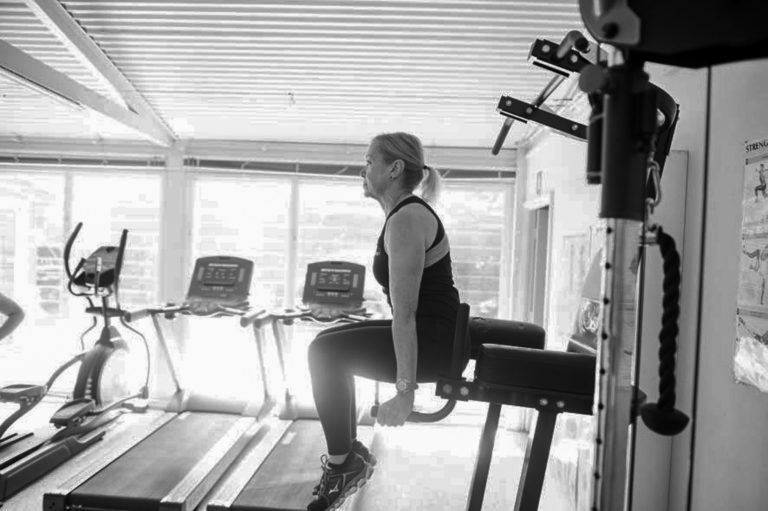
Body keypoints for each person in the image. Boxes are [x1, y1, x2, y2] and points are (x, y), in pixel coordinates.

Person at [306, 132, 462, 511]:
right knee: (326, 345)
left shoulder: (407, 218)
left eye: (369, 161)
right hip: (429, 332)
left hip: (432, 342)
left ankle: (343, 465)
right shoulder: (402, 215)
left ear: (394, 169)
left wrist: (405, 392)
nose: (363, 170)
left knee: (324, 352)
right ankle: (347, 457)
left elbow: (405, 315)